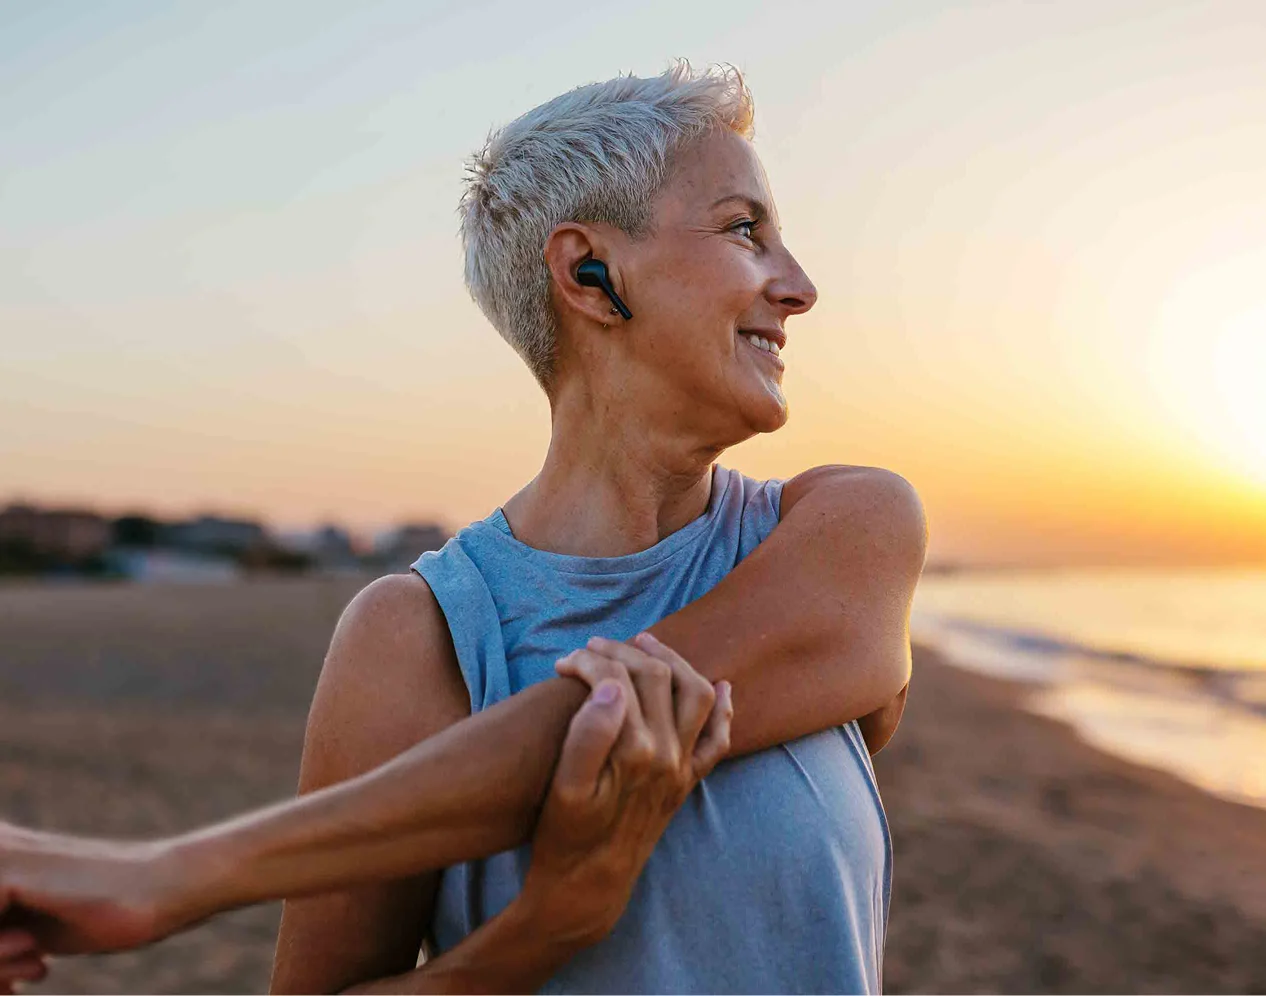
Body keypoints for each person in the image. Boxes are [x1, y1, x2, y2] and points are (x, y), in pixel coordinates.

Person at [0, 61, 924, 994]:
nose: (799, 286)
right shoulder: (418, 636)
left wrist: (164, 879)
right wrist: (548, 927)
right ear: (590, 276)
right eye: (743, 230)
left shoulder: (851, 526)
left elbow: (637, 707)